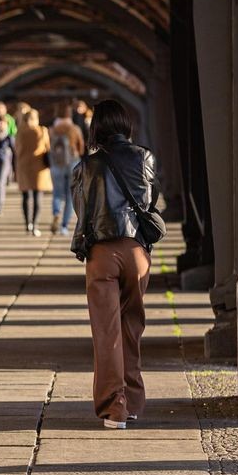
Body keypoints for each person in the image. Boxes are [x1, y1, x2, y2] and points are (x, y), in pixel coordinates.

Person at [70, 99, 158, 429]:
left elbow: (81, 210)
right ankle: (133, 402)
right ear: (125, 125)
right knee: (131, 327)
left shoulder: (86, 166)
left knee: (107, 332)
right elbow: (151, 200)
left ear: (96, 128)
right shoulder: (144, 157)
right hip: (137, 253)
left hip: (102, 255)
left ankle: (115, 408)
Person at [14, 107, 52, 236]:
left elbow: (16, 148)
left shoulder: (20, 132)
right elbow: (47, 147)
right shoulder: (42, 131)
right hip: (39, 166)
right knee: (37, 197)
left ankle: (27, 224)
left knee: (25, 196)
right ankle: (35, 225)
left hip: (23, 166)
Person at [48, 117, 86, 234]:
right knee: (70, 196)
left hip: (57, 165)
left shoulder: (53, 130)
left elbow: (48, 147)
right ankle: (64, 226)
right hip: (73, 164)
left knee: (57, 193)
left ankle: (56, 212)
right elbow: (81, 148)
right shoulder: (75, 129)